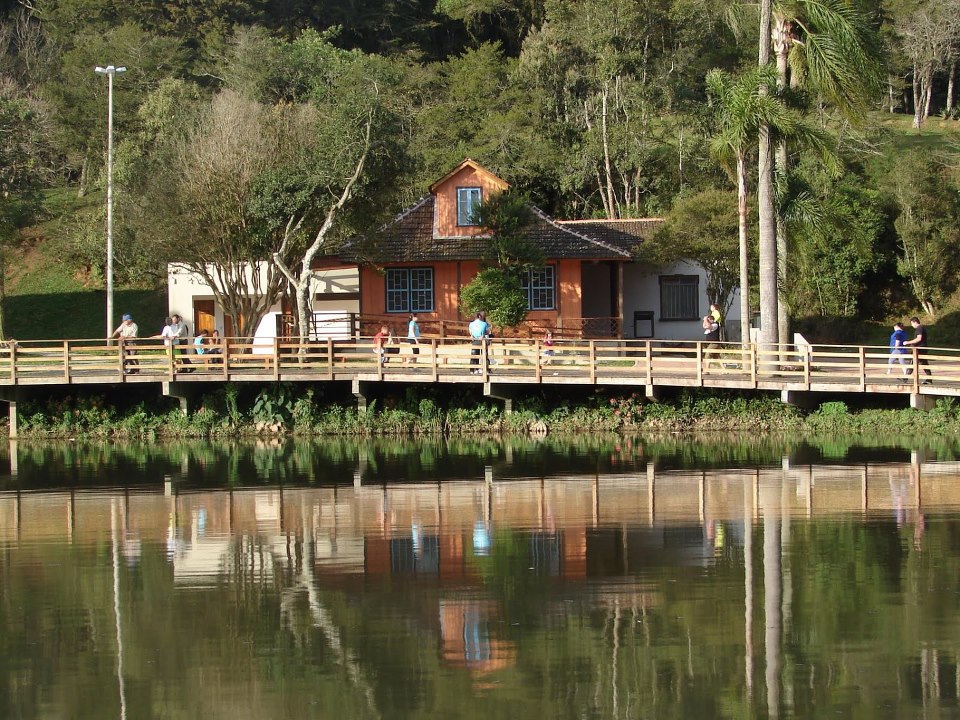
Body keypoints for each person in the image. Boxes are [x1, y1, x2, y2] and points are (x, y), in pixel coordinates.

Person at [903, 316, 932, 384]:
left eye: (912, 324)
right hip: (921, 348)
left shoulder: (919, 328)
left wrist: (908, 342)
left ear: (915, 322)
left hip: (919, 349)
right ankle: (929, 379)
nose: (912, 325)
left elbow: (919, 339)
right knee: (924, 363)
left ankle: (905, 378)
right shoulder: (921, 328)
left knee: (913, 362)